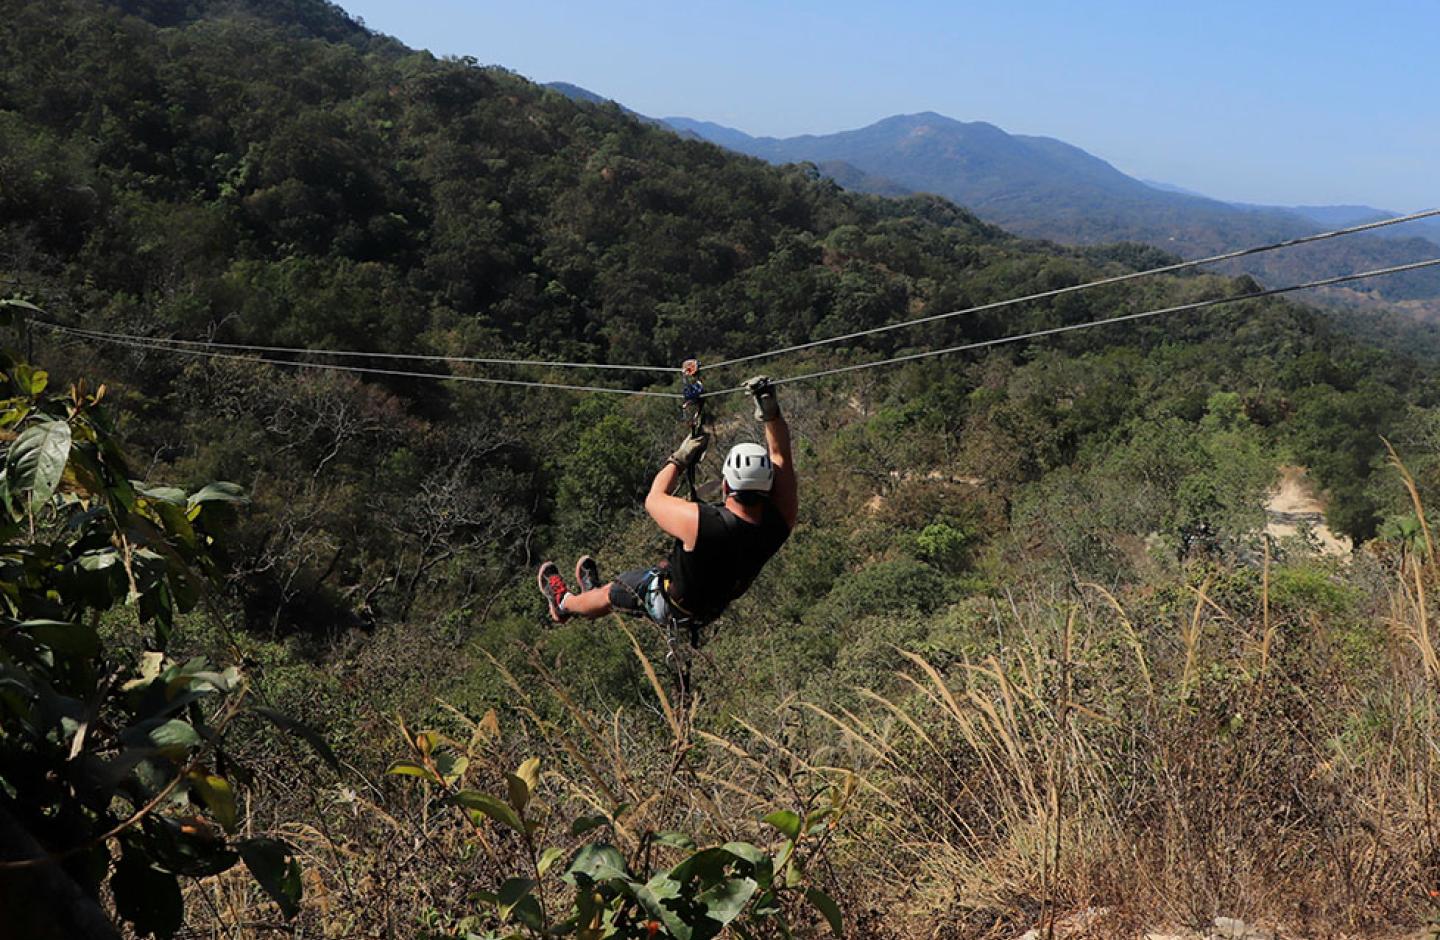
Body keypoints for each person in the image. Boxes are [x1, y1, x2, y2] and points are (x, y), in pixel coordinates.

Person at [538, 376, 796, 628]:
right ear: (768, 484)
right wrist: (770, 414)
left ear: (727, 485)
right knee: (620, 588)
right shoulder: (779, 522)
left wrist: (679, 459)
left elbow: (654, 499)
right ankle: (587, 598)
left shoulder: (702, 523)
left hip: (668, 604)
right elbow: (780, 456)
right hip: (706, 607)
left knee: (612, 592)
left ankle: (563, 604)